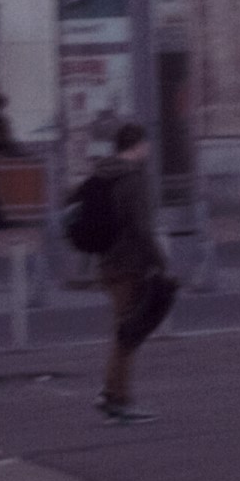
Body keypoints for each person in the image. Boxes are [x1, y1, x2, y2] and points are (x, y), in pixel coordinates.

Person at [87, 121, 173, 424]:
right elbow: (141, 228)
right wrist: (161, 262)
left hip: (107, 263)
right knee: (127, 334)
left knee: (124, 330)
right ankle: (118, 400)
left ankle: (111, 393)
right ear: (136, 145)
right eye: (145, 143)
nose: (148, 149)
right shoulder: (132, 178)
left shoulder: (103, 173)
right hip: (128, 264)